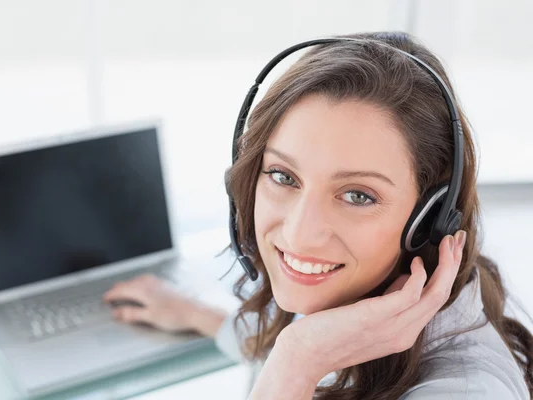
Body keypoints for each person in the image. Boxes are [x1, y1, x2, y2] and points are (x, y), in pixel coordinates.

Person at [102, 31, 533, 399]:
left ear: (431, 217)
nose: (300, 234)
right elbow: (275, 336)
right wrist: (193, 313)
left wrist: (298, 362)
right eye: (283, 176)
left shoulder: (465, 391)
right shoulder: (348, 289)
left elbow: (293, 349)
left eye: (358, 195)